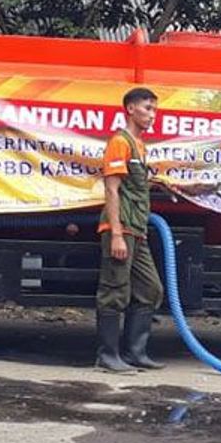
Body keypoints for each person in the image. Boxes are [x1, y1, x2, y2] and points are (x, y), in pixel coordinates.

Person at [95, 87, 166, 373]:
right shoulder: (119, 142)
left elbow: (136, 187)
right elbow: (112, 191)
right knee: (115, 290)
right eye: (147, 108)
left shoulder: (140, 145)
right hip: (120, 228)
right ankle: (107, 356)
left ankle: (136, 352)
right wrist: (115, 234)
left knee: (151, 289)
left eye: (154, 110)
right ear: (130, 109)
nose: (152, 115)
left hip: (137, 229)